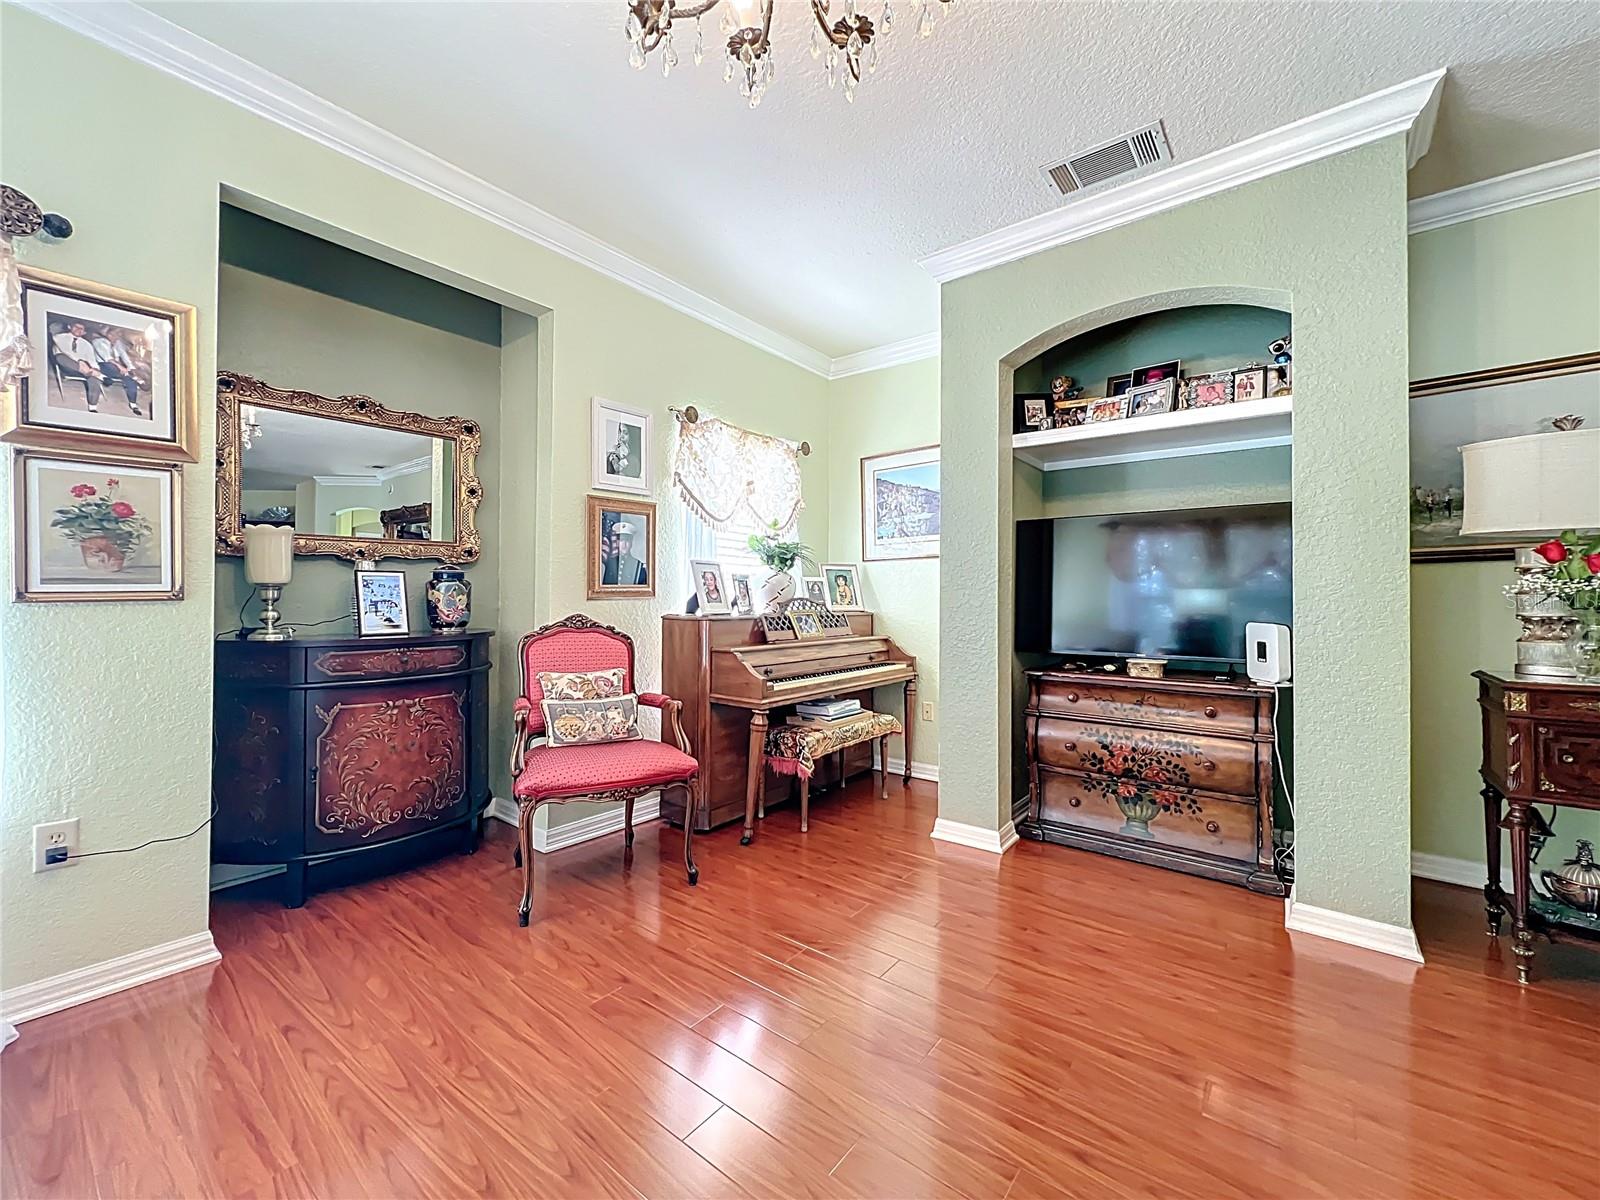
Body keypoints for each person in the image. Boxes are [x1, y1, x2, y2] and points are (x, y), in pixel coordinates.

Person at [50, 322, 112, 411]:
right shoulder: (59, 337)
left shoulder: (87, 344)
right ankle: (100, 376)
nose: (78, 330)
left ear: (84, 332)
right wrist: (80, 361)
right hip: (68, 366)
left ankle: (93, 407)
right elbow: (66, 351)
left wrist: (95, 369)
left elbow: (92, 360)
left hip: (85, 369)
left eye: (81, 329)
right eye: (76, 327)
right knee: (60, 357)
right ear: (69, 326)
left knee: (94, 376)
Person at [89, 326, 143, 414]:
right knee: (114, 367)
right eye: (113, 334)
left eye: (118, 334)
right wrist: (121, 367)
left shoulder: (117, 343)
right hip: (102, 366)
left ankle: (133, 405)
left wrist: (131, 368)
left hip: (116, 368)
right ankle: (108, 377)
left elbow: (124, 355)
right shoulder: (99, 342)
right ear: (108, 334)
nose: (116, 336)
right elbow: (108, 358)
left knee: (130, 379)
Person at [602, 520, 647, 586]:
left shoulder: (638, 565)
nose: (624, 544)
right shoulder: (610, 563)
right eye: (621, 540)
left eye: (627, 541)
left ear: (631, 543)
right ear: (617, 543)